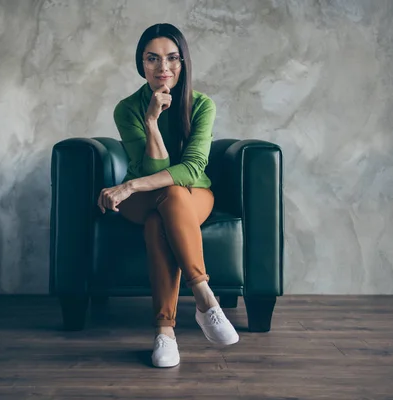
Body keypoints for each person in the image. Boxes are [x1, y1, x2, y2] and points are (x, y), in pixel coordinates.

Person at [96, 23, 239, 368]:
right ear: (141, 64)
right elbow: (150, 170)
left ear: (183, 62)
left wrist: (127, 186)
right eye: (152, 59)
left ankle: (165, 332)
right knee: (166, 196)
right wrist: (151, 122)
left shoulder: (202, 105)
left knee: (168, 204)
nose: (163, 69)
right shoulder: (127, 109)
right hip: (143, 197)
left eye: (172, 58)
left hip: (192, 193)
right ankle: (205, 298)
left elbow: (191, 169)